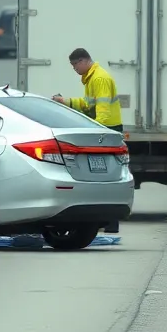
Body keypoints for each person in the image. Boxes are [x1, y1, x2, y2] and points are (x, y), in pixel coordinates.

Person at [54, 47, 123, 233]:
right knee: (105, 176)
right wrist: (65, 102)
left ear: (83, 61)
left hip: (107, 131)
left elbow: (103, 111)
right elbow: (87, 104)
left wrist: (96, 133)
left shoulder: (99, 78)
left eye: (75, 65)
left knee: (108, 177)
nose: (74, 69)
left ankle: (112, 222)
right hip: (106, 130)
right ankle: (110, 222)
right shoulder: (92, 78)